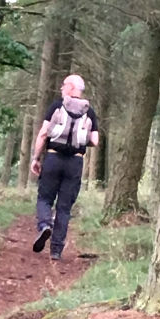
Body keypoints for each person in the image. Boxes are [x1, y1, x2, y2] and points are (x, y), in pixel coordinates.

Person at [30, 74, 99, 262]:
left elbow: (43, 134)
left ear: (70, 87)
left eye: (63, 85)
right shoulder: (89, 112)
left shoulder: (56, 106)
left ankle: (45, 225)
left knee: (44, 198)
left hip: (53, 158)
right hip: (75, 162)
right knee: (65, 207)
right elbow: (95, 140)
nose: (61, 88)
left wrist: (36, 158)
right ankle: (56, 251)